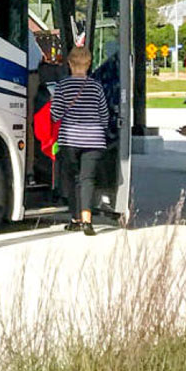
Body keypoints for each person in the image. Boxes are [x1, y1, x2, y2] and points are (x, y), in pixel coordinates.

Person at [51, 45, 112, 235]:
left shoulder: (63, 86)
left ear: (69, 63)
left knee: (73, 179)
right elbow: (104, 115)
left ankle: (75, 218)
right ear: (89, 64)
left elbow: (55, 114)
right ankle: (87, 221)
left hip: (70, 139)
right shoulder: (96, 86)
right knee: (88, 180)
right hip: (94, 140)